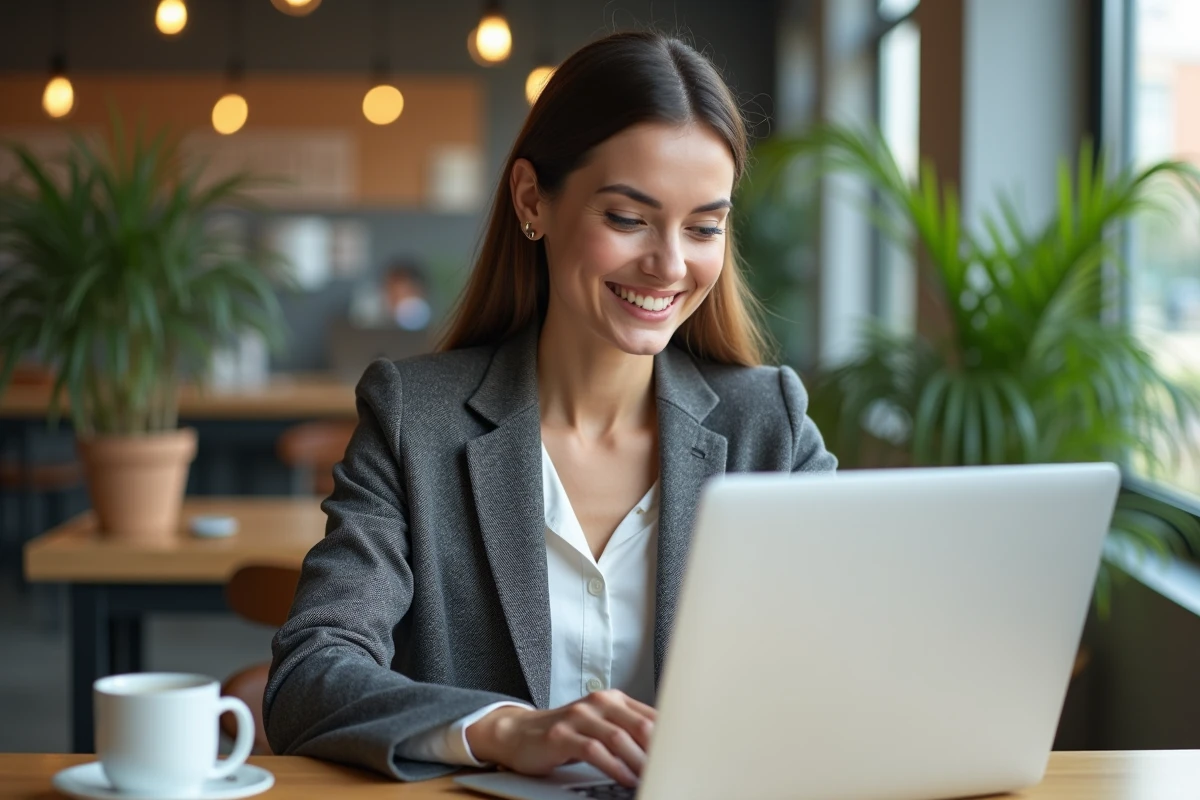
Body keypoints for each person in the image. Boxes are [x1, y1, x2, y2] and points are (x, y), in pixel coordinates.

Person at [263, 30, 836, 787]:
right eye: (627, 218)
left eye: (704, 227)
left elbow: (853, 658)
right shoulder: (413, 420)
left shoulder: (771, 426)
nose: (670, 264)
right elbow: (311, 673)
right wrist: (505, 728)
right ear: (533, 199)